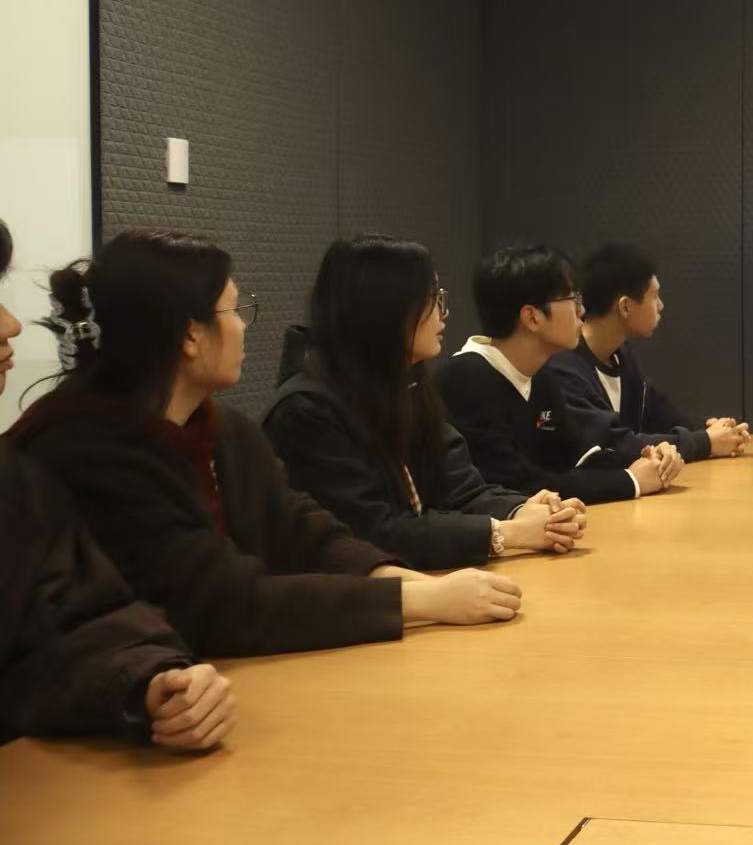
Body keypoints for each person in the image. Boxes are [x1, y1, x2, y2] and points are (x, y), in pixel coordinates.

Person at [10, 229, 522, 658]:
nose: (243, 328)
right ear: (190, 335)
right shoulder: (88, 451)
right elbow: (223, 603)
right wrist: (421, 602)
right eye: (235, 310)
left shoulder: (225, 431)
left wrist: (413, 583)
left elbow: (305, 532)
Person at [0, 219, 232, 750]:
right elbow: (217, 596)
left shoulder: (10, 479)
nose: (11, 325)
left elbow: (75, 620)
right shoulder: (79, 445)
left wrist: (150, 681)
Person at [264, 235, 586, 569]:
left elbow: (461, 489)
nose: (443, 314)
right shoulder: (306, 413)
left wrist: (524, 510)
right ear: (385, 308)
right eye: (432, 299)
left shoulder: (405, 384)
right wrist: (505, 533)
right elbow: (371, 534)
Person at [437, 244, 676, 504]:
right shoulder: (466, 379)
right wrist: (631, 480)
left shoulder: (541, 375)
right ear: (532, 317)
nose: (581, 310)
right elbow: (519, 484)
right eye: (572, 299)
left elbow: (574, 454)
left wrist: (648, 457)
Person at [543, 242, 750, 466]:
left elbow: (661, 414)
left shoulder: (621, 356)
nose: (661, 305)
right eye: (654, 296)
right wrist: (705, 442)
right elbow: (616, 444)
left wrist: (712, 429)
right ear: (625, 306)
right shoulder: (563, 367)